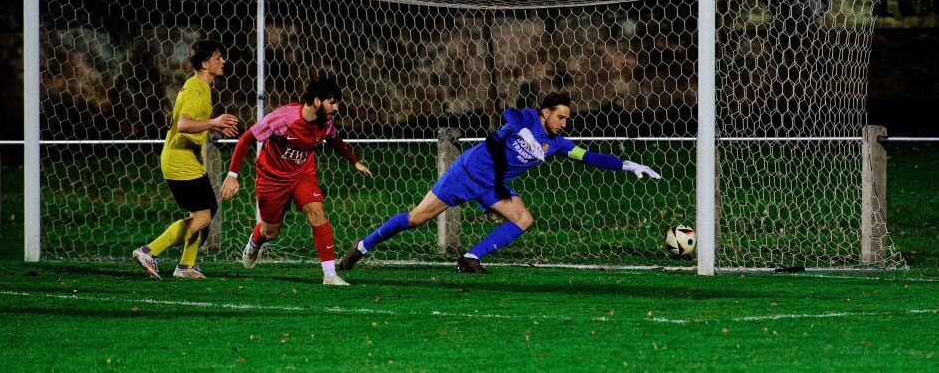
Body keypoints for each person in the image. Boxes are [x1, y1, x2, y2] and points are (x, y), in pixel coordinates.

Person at [338, 91, 661, 274]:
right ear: (545, 112)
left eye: (567, 118)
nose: (564, 123)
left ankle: (470, 258)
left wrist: (628, 165)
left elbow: (588, 156)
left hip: (494, 186)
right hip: (466, 173)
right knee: (416, 219)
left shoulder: (560, 143)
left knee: (524, 219)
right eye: (560, 116)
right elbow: (508, 116)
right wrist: (523, 133)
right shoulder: (526, 119)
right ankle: (362, 246)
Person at [220, 76, 373, 285]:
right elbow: (247, 138)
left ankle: (330, 275)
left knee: (317, 214)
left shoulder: (325, 124)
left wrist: (354, 161)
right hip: (272, 178)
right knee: (270, 232)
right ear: (317, 101)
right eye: (332, 102)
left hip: (303, 175)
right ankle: (256, 240)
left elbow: (335, 140)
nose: (336, 108)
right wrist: (232, 176)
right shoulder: (283, 119)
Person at [132, 39, 239, 279]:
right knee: (203, 215)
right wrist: (214, 122)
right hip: (179, 161)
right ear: (204, 63)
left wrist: (215, 128)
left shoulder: (202, 87)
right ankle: (149, 251)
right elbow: (183, 124)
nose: (223, 61)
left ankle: (185, 266)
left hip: (186, 159)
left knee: (204, 213)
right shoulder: (195, 88)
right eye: (217, 57)